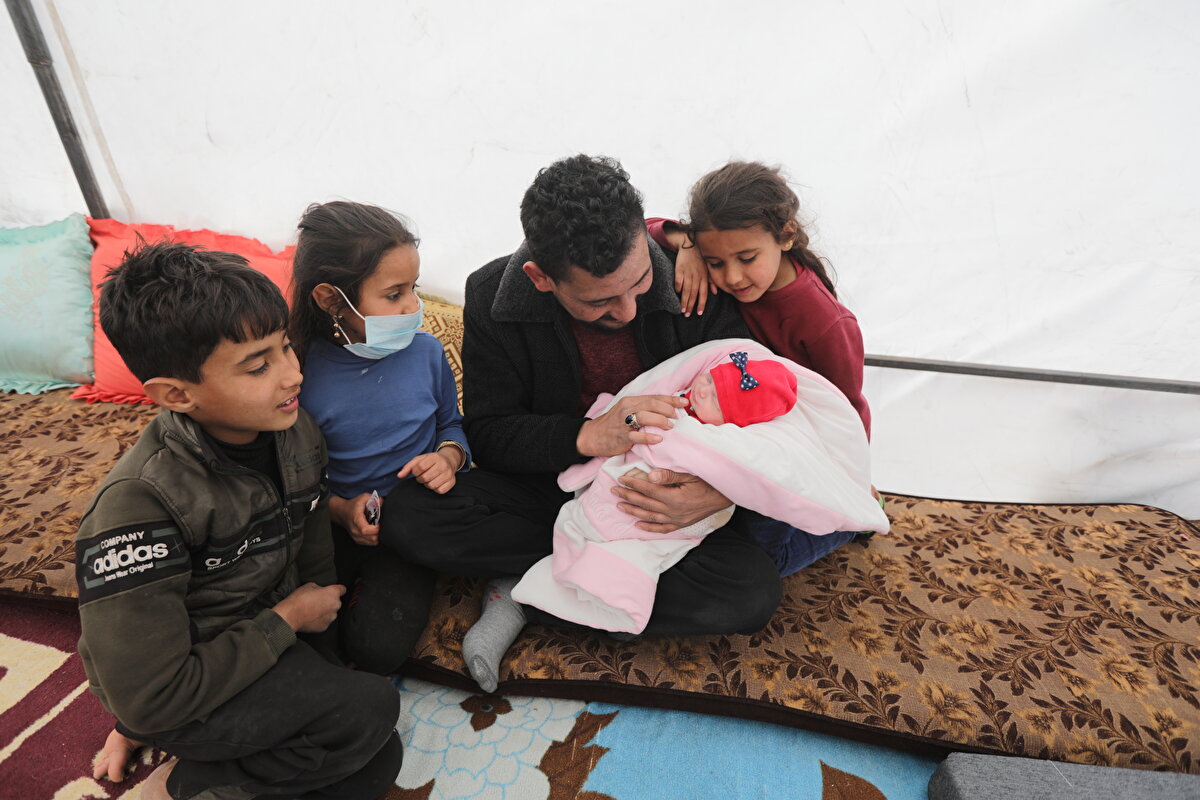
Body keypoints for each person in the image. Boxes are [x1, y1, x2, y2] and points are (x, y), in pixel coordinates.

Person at [380, 154, 785, 690]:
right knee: (409, 513)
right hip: (555, 488)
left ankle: (529, 594)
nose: (629, 311)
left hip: (659, 502)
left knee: (751, 592)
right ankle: (596, 588)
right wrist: (587, 435)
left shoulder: (697, 278)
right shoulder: (489, 296)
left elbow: (763, 409)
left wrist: (716, 490)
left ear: (643, 237)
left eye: (639, 282)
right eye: (600, 301)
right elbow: (492, 432)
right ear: (541, 278)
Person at [79, 243, 402, 800]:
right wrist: (287, 620)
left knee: (376, 751)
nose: (292, 375)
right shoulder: (137, 507)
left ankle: (214, 774)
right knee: (369, 710)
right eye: (259, 365)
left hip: (256, 639)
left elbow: (311, 545)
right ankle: (184, 783)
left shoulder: (294, 432)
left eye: (285, 349)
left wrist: (315, 630)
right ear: (177, 395)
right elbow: (151, 693)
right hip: (185, 684)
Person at [289, 200, 470, 675]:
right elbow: (290, 476)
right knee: (309, 639)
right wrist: (341, 511)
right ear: (332, 301)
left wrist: (448, 458)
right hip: (334, 522)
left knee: (376, 647)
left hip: (413, 521)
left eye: (414, 288)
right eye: (394, 294)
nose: (413, 306)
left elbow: (453, 425)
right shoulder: (300, 374)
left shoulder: (427, 353)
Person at [647, 160, 871, 436]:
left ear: (786, 236)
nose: (732, 277)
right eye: (715, 263)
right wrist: (685, 242)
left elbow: (847, 411)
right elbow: (642, 230)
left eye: (747, 258)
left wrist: (851, 474)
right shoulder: (709, 247)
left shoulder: (826, 322)